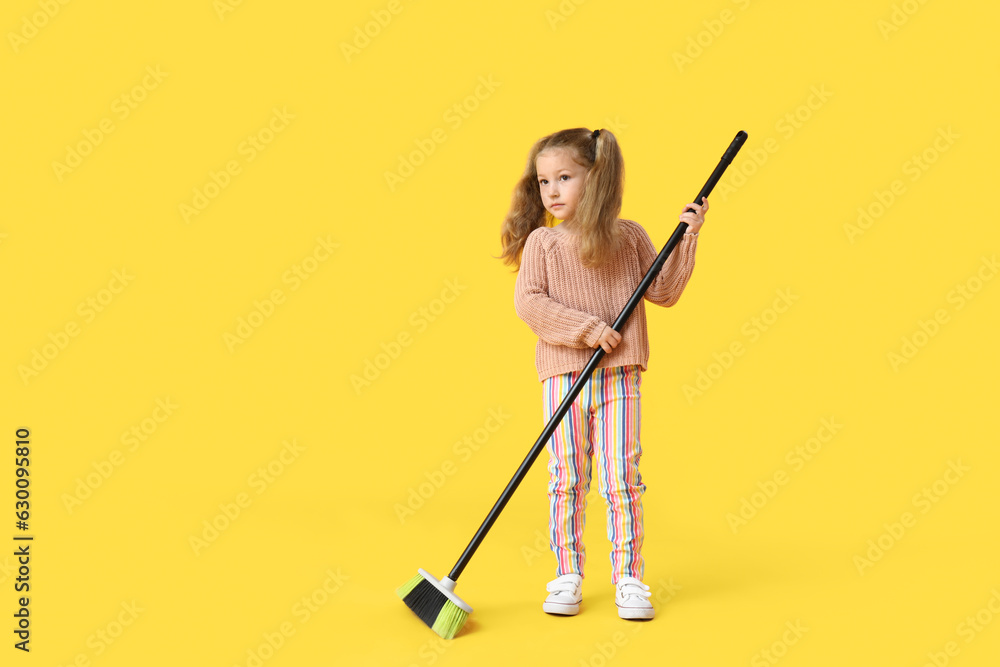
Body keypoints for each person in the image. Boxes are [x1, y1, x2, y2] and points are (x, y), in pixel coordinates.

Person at [495, 127, 707, 620]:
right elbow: (529, 303)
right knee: (566, 475)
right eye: (544, 180)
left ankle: (629, 576)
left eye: (565, 177)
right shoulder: (542, 244)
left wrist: (688, 236)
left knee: (621, 477)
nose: (551, 190)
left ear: (597, 179)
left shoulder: (628, 237)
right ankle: (567, 573)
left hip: (619, 378)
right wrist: (587, 329)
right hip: (564, 375)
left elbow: (665, 291)